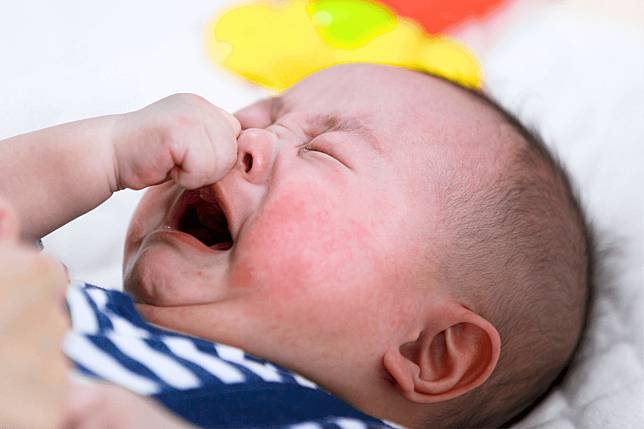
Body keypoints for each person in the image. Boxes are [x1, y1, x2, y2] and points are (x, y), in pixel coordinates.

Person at [0, 63, 593, 428]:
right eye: (256, 115)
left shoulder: (317, 419)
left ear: (431, 353)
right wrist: (104, 150)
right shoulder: (66, 299)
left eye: (324, 151)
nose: (246, 138)